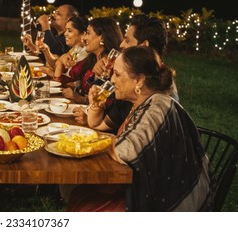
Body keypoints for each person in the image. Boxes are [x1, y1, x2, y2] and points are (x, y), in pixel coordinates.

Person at [67, 46, 215, 211]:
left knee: (85, 205)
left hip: (171, 203)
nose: (112, 80)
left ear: (139, 81)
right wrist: (95, 106)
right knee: (81, 194)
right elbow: (97, 126)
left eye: (117, 74)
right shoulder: (136, 102)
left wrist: (89, 141)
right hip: (147, 187)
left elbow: (126, 149)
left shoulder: (158, 106)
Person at [83, 14, 179, 131]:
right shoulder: (130, 82)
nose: (121, 44)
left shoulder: (159, 92)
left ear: (144, 46)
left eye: (127, 40)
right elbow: (98, 124)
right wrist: (96, 106)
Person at [60, 17, 123, 105]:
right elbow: (65, 80)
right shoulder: (91, 59)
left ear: (102, 38)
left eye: (88, 33)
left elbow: (107, 102)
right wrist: (60, 60)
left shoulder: (111, 65)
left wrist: (80, 99)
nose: (84, 38)